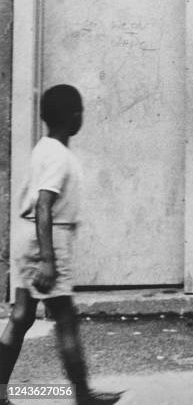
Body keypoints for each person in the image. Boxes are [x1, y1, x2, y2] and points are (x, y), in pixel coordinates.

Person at [0, 85, 122, 405]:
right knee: (65, 318)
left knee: (22, 316)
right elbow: (44, 206)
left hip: (28, 236)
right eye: (79, 111)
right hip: (48, 239)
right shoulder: (58, 156)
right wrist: (48, 259)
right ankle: (83, 395)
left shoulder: (43, 148)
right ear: (73, 118)